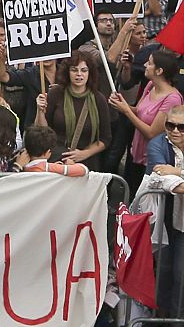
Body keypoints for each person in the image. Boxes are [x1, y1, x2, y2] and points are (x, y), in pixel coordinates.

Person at [110, 49, 184, 193]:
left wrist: (125, 110)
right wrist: (122, 104)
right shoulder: (150, 85)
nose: (145, 65)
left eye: (149, 63)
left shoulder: (172, 99)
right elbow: (139, 111)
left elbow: (152, 133)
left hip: (151, 160)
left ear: (159, 71)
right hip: (135, 152)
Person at [35, 51, 111, 171]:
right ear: (67, 72)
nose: (79, 74)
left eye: (84, 70)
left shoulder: (99, 99)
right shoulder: (56, 93)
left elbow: (105, 138)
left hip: (86, 163)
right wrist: (40, 111)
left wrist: (85, 153)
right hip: (58, 160)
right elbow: (42, 131)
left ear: (90, 73)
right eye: (74, 70)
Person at [145, 106, 184, 318]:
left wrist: (178, 171)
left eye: (181, 127)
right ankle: (159, 318)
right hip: (165, 220)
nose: (175, 131)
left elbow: (174, 177)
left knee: (180, 274)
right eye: (170, 125)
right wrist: (175, 177)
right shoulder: (157, 145)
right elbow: (166, 180)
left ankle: (176, 319)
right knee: (164, 270)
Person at [20, 125, 89, 176]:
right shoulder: (48, 168)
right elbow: (84, 170)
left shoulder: (21, 166)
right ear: (48, 152)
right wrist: (70, 165)